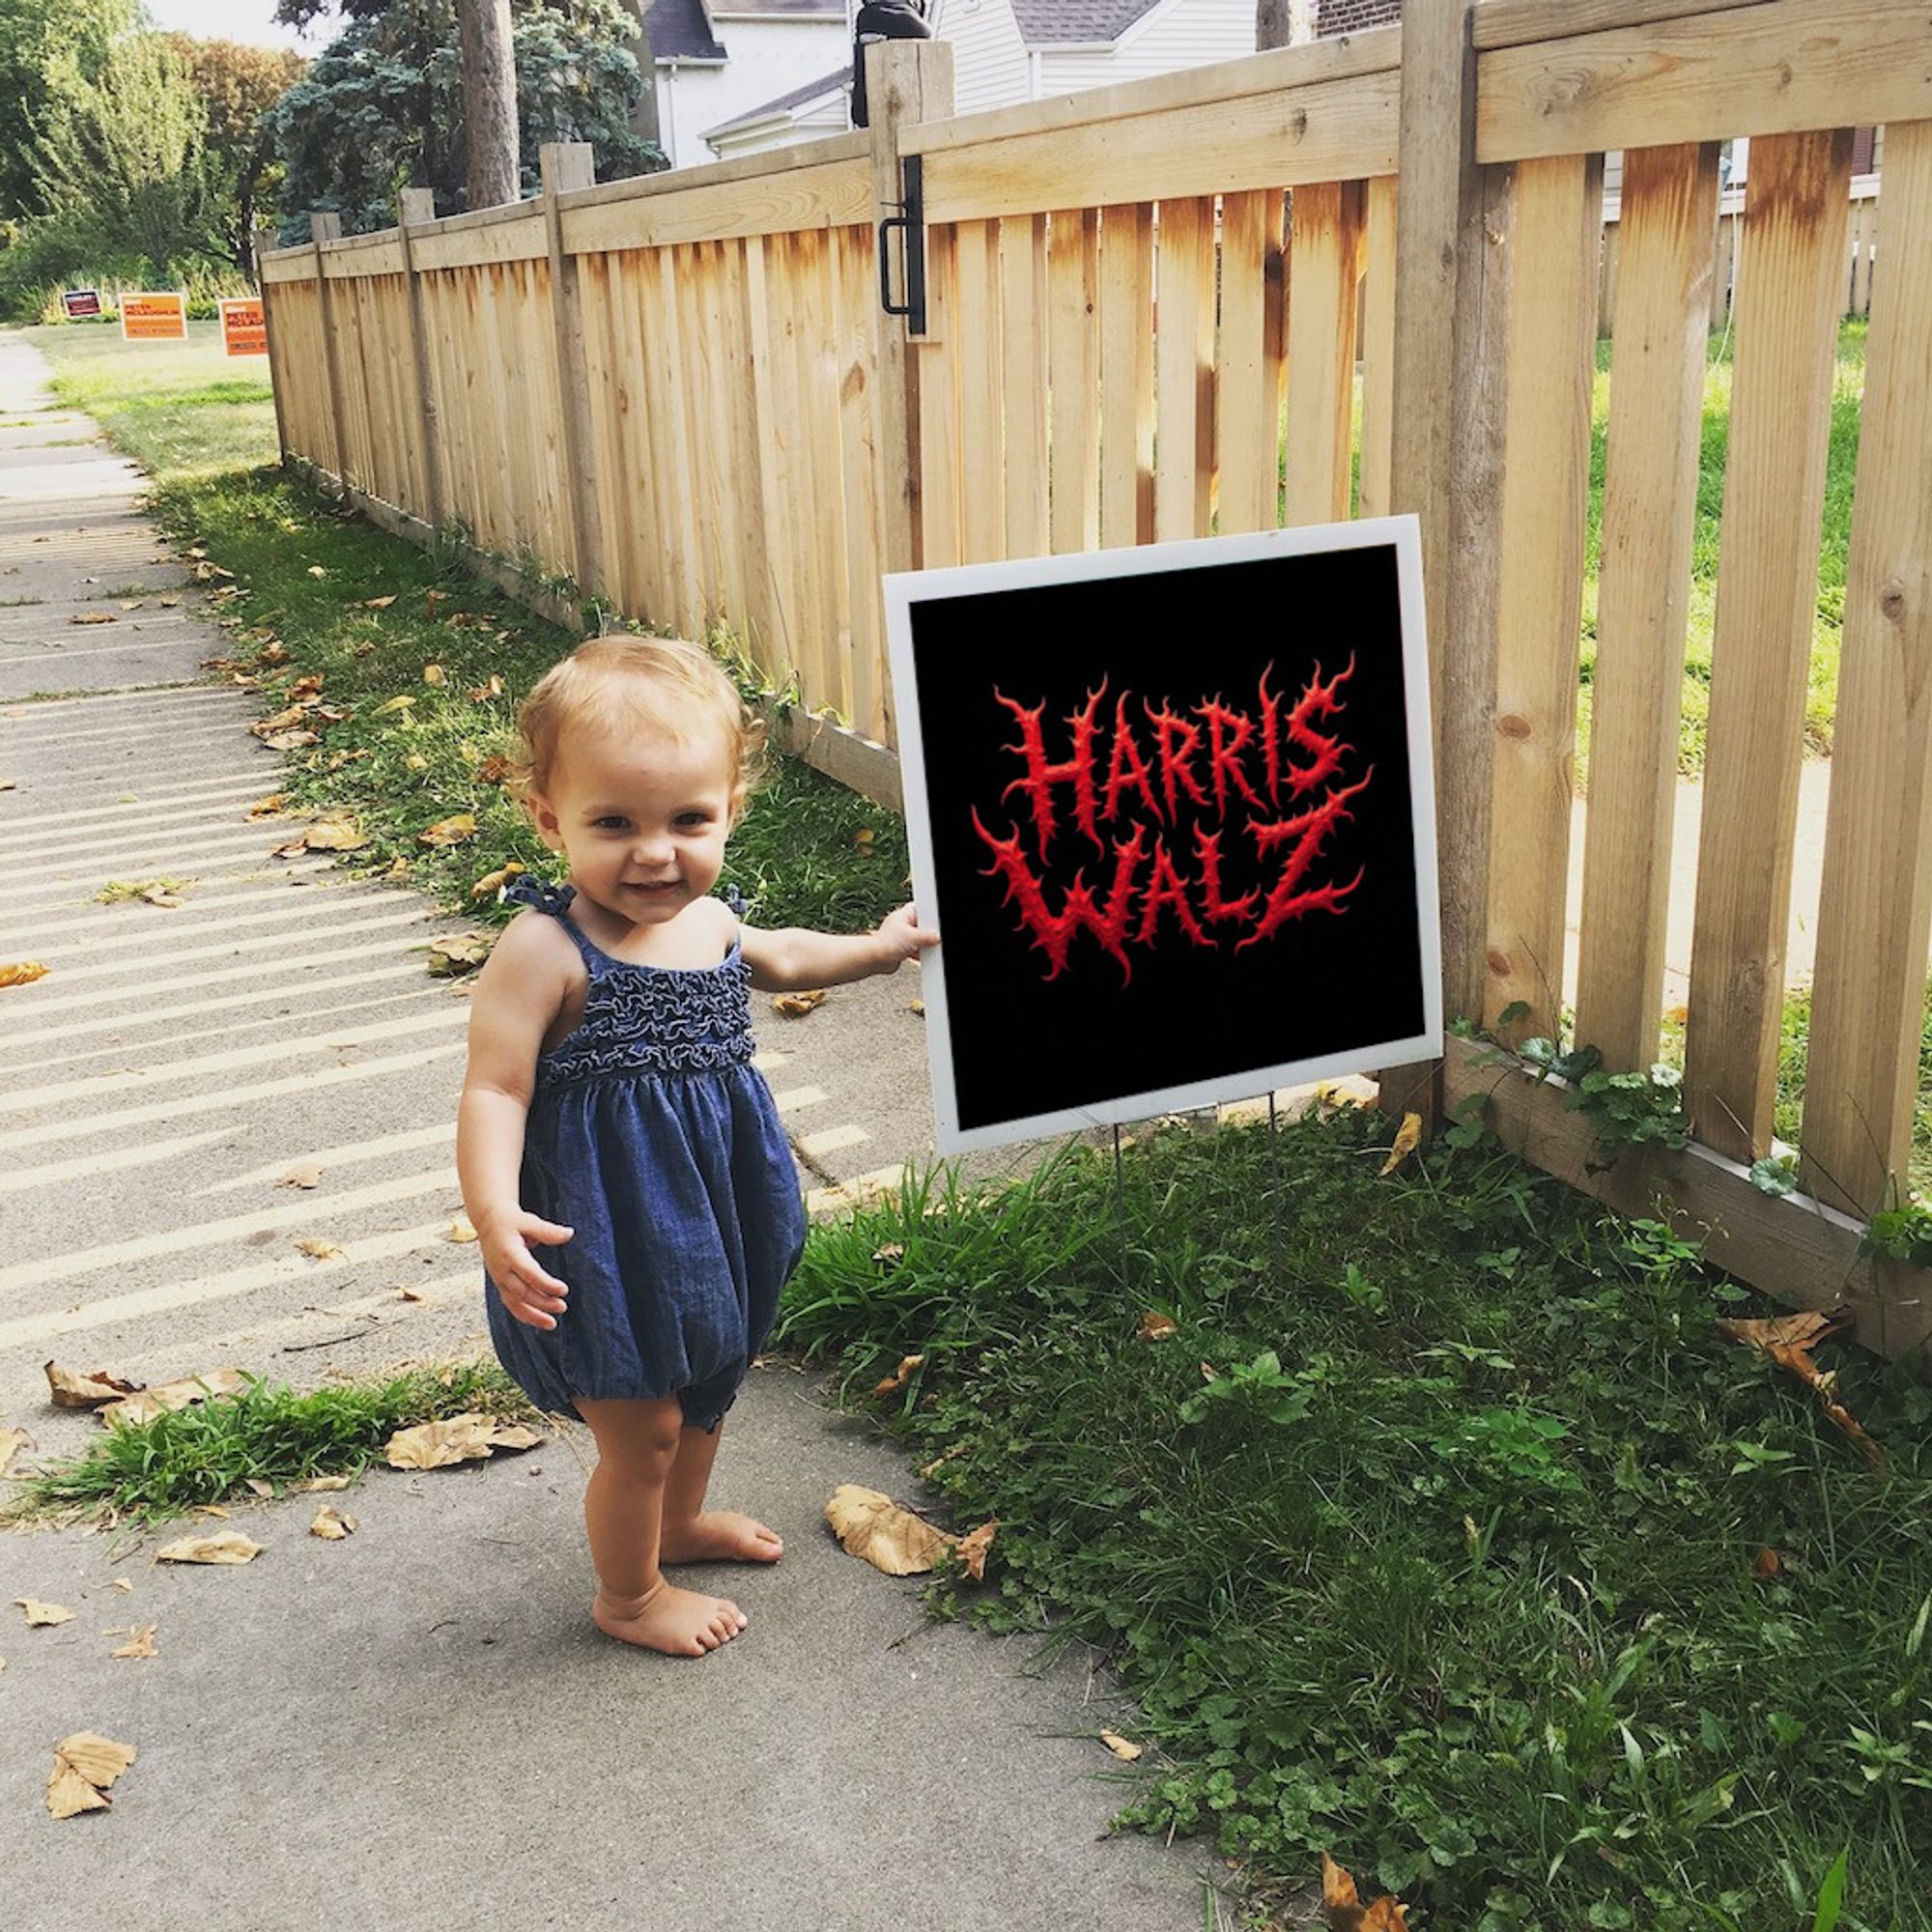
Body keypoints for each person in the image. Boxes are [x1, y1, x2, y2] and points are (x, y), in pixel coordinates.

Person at [457, 636, 937, 1657]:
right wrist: (495, 1212)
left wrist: (883, 944)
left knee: (708, 1382)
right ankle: (627, 1593)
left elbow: (789, 955)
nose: (654, 852)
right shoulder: (546, 949)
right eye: (612, 823)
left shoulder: (711, 918)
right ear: (548, 818)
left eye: (688, 819)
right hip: (605, 1231)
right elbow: (496, 1087)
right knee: (643, 1425)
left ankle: (676, 1523)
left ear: (729, 808)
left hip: (712, 1209)